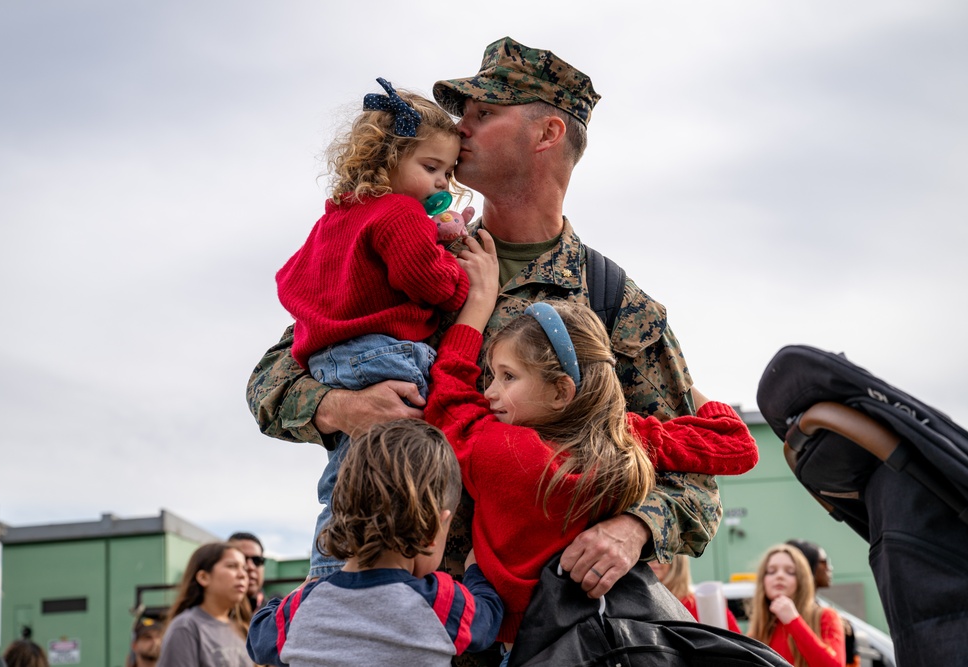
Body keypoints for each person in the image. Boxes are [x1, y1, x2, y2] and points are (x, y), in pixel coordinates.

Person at [246, 37, 720, 664]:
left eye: (482, 113)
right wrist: (339, 407)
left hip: (540, 633)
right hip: (384, 620)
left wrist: (631, 530)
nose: (459, 128)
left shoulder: (612, 302)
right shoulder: (410, 252)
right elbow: (268, 381)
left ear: (547, 132)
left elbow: (698, 474)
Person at [425, 242, 756, 648]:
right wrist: (686, 388)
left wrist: (476, 307)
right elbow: (737, 444)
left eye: (507, 377)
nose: (490, 392)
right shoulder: (626, 443)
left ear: (561, 391)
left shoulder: (501, 453)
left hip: (515, 641)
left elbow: (449, 397)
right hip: (593, 639)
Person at [275, 77, 470, 579]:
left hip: (333, 359)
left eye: (448, 173)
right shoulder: (400, 212)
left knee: (353, 479)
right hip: (385, 356)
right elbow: (429, 282)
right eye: (431, 168)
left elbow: (292, 279)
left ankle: (334, 580)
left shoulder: (336, 217)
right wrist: (454, 269)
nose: (442, 185)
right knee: (377, 479)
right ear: (387, 160)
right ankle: (332, 584)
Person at [246, 419, 503, 666]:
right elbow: (487, 620)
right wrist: (475, 572)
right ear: (433, 529)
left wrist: (306, 591)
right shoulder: (440, 602)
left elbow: (258, 639)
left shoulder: (301, 608)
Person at [748, 543, 845, 667]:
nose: (779, 576)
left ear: (801, 580)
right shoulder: (761, 626)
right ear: (763, 580)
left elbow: (834, 665)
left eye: (790, 572)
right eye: (771, 571)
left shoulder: (826, 616)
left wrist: (793, 621)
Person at [157, 542, 252, 667]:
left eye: (244, 568)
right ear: (203, 577)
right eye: (232, 566)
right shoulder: (186, 627)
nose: (243, 575)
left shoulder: (242, 628)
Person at [787, 539, 858, 667]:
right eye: (823, 562)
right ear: (805, 567)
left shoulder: (830, 618)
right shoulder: (774, 619)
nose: (829, 568)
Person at [649, 554, 741, 632]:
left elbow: (737, 645)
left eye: (660, 552)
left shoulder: (702, 605)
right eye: (646, 553)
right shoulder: (640, 604)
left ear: (678, 560)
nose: (653, 560)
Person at [227, 532, 266, 614]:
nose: (251, 567)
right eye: (243, 559)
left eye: (257, 560)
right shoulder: (208, 617)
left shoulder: (278, 615)